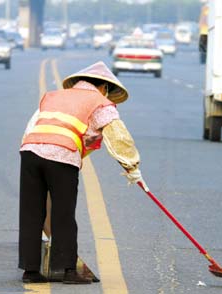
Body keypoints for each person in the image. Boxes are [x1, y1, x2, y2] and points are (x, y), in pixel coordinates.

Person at [19, 61, 144, 284]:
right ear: (104, 87)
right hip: (62, 156)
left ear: (77, 83)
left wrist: (35, 153)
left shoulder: (53, 96)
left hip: (30, 151)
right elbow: (118, 137)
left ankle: (30, 271)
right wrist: (131, 167)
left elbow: (32, 127)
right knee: (63, 214)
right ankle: (67, 271)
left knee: (31, 212)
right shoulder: (100, 102)